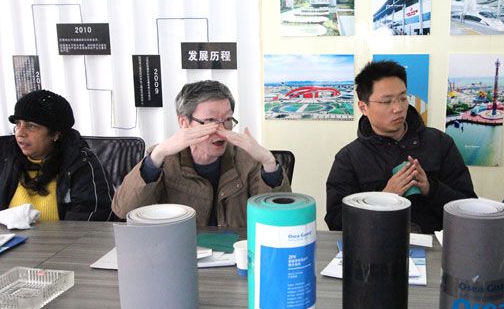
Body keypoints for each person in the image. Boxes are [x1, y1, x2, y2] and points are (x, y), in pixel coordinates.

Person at [112, 80, 291, 228]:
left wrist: (269, 162)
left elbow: (280, 219)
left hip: (237, 251)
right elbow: (123, 210)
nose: (221, 130)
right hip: (180, 250)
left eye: (228, 119)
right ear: (184, 122)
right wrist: (156, 156)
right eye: (210, 120)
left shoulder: (246, 158)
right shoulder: (164, 159)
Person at [325, 60, 477, 233]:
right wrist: (383, 198)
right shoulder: (348, 158)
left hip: (436, 244)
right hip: (376, 245)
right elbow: (336, 221)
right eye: (386, 101)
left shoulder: (440, 143)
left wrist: (430, 188)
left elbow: (469, 207)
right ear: (363, 107)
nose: (398, 108)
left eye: (403, 98)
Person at [0, 90, 115, 221]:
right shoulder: (5, 156)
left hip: (64, 235)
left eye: (31, 126)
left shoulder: (81, 164)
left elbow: (90, 223)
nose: (20, 133)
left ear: (55, 134)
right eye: (18, 124)